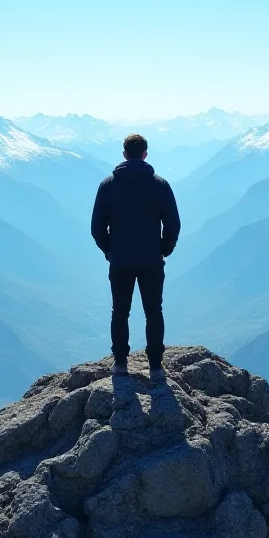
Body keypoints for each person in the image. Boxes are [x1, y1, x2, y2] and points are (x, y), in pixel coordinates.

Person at [90, 133, 181, 382]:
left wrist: (110, 250)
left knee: (120, 311)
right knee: (154, 312)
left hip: (120, 261)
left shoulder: (108, 185)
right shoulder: (160, 185)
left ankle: (120, 363)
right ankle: (155, 366)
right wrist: (164, 249)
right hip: (151, 260)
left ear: (124, 154)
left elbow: (97, 228)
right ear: (145, 154)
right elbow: (173, 224)